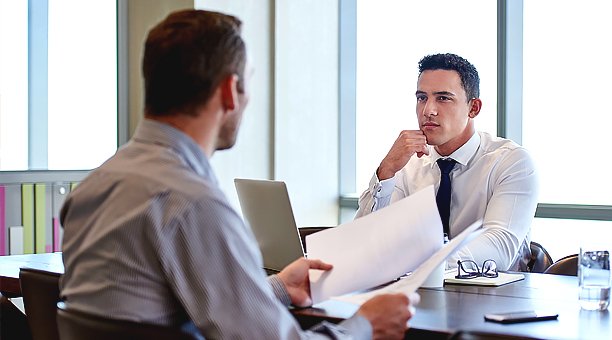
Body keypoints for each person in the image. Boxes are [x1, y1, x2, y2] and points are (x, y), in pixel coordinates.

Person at [60, 9, 412, 339]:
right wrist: (364, 327)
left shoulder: (95, 186)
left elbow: (162, 306)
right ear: (230, 91)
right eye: (247, 84)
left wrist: (276, 289)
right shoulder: (191, 203)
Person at [356, 53, 539, 272]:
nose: (428, 111)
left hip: (497, 298)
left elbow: (499, 248)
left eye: (443, 98)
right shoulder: (407, 164)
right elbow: (365, 243)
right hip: (417, 296)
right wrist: (385, 172)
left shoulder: (511, 162)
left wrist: (420, 262)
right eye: (422, 97)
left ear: (474, 108)